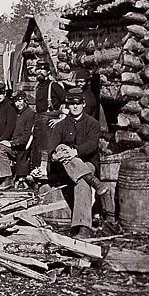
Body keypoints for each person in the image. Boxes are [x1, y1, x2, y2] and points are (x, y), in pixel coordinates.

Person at [45, 92, 112, 236]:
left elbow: (92, 145)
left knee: (81, 181)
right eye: (72, 104)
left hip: (88, 164)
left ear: (84, 104)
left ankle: (82, 228)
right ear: (67, 106)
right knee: (62, 148)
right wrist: (55, 155)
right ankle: (93, 181)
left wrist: (75, 152)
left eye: (78, 104)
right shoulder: (60, 125)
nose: (75, 107)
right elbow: (51, 146)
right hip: (65, 167)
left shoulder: (93, 124)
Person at [32, 65, 68, 172]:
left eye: (42, 69)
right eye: (38, 69)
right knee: (37, 149)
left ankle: (48, 173)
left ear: (48, 72)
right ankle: (38, 173)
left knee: (47, 149)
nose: (39, 71)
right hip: (39, 121)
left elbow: (67, 100)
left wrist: (62, 117)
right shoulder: (38, 87)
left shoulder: (53, 86)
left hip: (49, 121)